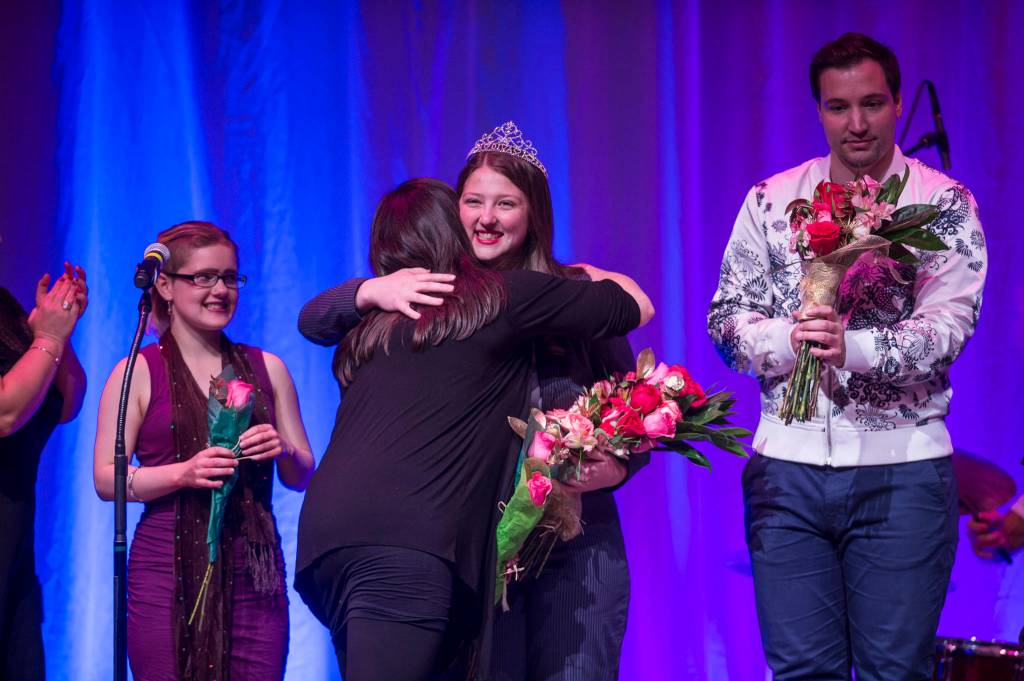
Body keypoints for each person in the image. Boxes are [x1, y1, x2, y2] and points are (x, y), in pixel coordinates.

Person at [298, 121, 646, 681]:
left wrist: (616, 468)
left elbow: (633, 410)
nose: (487, 218)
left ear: (533, 213)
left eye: (505, 203)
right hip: (478, 541)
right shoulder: (427, 299)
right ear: (453, 211)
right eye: (473, 201)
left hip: (572, 544)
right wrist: (370, 289)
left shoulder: (573, 298)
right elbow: (315, 318)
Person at [707, 32, 986, 680]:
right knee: (803, 669)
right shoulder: (771, 200)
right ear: (819, 109)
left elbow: (951, 324)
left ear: (895, 102)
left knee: (894, 669)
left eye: (872, 103)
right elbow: (725, 321)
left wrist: (852, 348)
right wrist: (789, 338)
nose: (856, 123)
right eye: (838, 107)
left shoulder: (940, 204)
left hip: (902, 471)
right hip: (786, 472)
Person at [92, 222, 315, 681]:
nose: (220, 290)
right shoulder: (137, 371)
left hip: (255, 577)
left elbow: (302, 473)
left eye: (230, 277)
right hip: (164, 574)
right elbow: (105, 479)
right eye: (204, 277)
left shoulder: (267, 367)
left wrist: (284, 446)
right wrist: (183, 474)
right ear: (166, 286)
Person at [0, 263, 87, 680]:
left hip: (14, 544)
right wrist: (48, 338)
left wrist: (59, 332)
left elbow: (65, 403)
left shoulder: (3, 306)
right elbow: (5, 412)